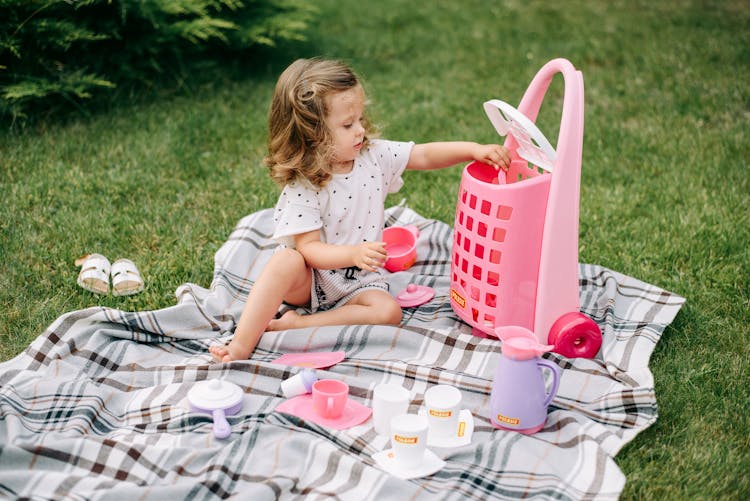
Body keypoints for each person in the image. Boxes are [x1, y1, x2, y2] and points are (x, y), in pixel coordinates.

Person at [210, 58, 510, 362]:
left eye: (360, 119)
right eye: (347, 125)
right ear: (312, 135)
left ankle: (299, 323)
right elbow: (310, 249)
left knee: (389, 311)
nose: (360, 130)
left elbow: (423, 154)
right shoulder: (306, 184)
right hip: (312, 280)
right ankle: (239, 346)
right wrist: (354, 254)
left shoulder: (374, 156)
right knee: (284, 261)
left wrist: (472, 150)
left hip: (359, 281)